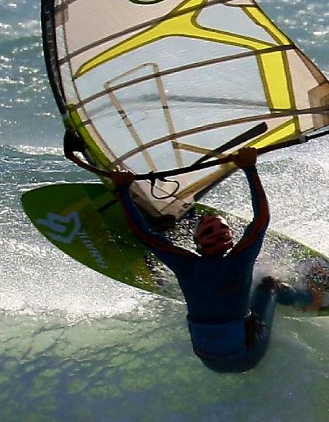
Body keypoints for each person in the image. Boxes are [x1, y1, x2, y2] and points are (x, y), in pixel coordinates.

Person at [110, 148, 316, 373]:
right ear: (230, 240)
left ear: (197, 243)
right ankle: (311, 298)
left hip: (208, 360)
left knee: (229, 308)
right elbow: (261, 219)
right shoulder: (240, 259)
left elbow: (144, 235)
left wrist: (122, 191)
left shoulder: (185, 265)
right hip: (248, 356)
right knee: (268, 284)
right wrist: (249, 168)